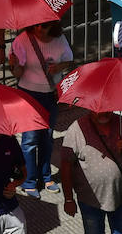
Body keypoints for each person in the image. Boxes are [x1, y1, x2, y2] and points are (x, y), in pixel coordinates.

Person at [9, 20, 74, 198]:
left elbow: (68, 60)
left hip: (49, 94)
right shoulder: (22, 40)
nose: (39, 29)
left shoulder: (59, 39)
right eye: (35, 25)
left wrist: (57, 67)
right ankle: (29, 180)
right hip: (28, 94)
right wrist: (14, 65)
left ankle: (45, 177)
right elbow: (17, 74)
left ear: (52, 26)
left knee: (47, 136)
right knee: (30, 139)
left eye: (44, 26)